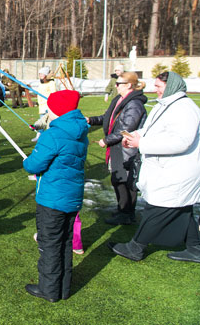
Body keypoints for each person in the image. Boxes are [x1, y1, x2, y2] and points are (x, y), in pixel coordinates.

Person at [110, 71, 200, 263]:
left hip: (180, 172)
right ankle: (196, 248)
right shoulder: (165, 105)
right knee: (181, 209)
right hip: (168, 170)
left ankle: (135, 247)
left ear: (170, 86)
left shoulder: (185, 109)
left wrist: (142, 144)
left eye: (158, 86)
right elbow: (148, 129)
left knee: (157, 209)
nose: (154, 89)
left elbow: (181, 142)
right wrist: (132, 138)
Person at [23, 90, 88, 302]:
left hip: (52, 200)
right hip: (72, 197)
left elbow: (33, 164)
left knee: (50, 244)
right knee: (65, 243)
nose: (47, 112)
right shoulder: (80, 131)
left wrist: (30, 160)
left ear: (57, 110)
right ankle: (63, 288)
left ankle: (49, 290)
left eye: (50, 109)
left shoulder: (54, 134)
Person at [87, 72, 147, 225]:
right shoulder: (119, 100)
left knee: (125, 181)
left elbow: (127, 128)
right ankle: (122, 209)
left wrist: (107, 140)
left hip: (127, 149)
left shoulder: (134, 104)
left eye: (119, 83)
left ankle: (127, 213)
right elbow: (108, 117)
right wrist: (91, 120)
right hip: (117, 148)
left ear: (128, 85)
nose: (116, 85)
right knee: (117, 180)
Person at [32, 66, 57, 142]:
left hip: (48, 105)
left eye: (42, 74)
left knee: (48, 122)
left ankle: (50, 137)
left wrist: (50, 103)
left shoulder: (51, 83)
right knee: (41, 121)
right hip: (42, 105)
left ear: (46, 75)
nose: (40, 76)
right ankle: (39, 135)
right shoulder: (41, 83)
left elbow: (53, 94)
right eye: (39, 74)